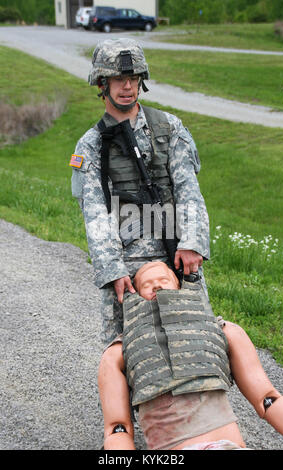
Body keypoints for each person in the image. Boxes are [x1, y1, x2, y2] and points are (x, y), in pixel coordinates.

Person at [70, 38, 209, 348]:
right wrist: (113, 270)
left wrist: (192, 244)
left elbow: (189, 192)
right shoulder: (91, 145)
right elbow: (95, 214)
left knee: (197, 343)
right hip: (124, 264)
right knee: (123, 354)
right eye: (119, 79)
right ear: (102, 83)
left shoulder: (169, 129)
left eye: (133, 78)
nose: (127, 86)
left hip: (176, 253)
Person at [98, 261, 283, 450]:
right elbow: (117, 428)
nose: (156, 286)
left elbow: (268, 399)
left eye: (163, 280)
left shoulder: (224, 331)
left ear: (178, 284)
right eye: (146, 285)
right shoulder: (118, 352)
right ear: (137, 295)